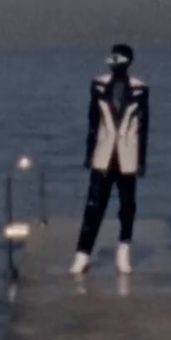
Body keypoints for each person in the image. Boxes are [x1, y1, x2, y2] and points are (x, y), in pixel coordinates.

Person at [69, 43, 149, 275]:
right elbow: (93, 122)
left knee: (127, 206)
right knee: (94, 205)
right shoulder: (98, 85)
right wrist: (89, 152)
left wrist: (141, 160)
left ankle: (123, 251)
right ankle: (82, 254)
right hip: (103, 155)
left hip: (127, 155)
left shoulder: (140, 89)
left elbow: (144, 128)